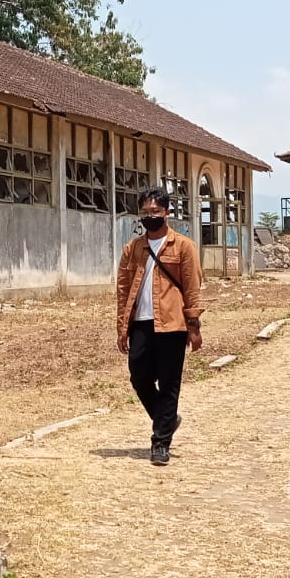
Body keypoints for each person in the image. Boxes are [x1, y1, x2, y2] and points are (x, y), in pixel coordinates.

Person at [116, 187, 204, 466]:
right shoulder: (133, 249)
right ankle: (166, 419)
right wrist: (122, 326)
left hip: (173, 324)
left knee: (169, 383)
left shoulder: (183, 246)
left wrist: (193, 325)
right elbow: (122, 288)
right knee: (139, 377)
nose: (150, 216)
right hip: (141, 322)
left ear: (167, 212)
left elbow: (192, 287)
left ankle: (160, 443)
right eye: (145, 212)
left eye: (155, 211)